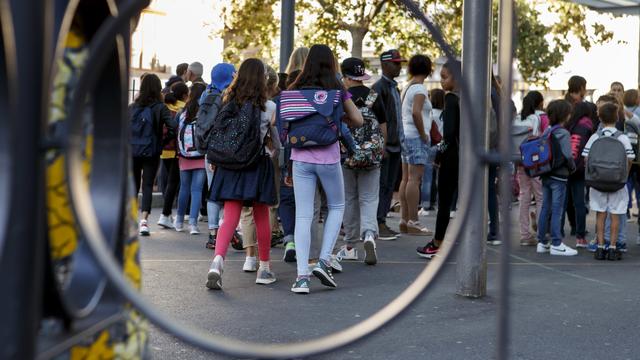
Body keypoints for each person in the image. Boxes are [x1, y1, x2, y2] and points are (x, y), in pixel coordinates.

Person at [281, 44, 363, 294]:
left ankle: (302, 277)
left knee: (304, 215)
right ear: (332, 64)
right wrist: (339, 119)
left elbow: (281, 121)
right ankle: (325, 261)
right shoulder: (337, 90)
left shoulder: (293, 88)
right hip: (328, 156)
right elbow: (358, 120)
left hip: (300, 157)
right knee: (337, 206)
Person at [205, 58, 279, 289]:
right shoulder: (269, 107)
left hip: (229, 165)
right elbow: (273, 140)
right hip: (257, 164)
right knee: (261, 215)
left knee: (230, 216)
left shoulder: (228, 100)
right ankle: (264, 268)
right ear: (262, 79)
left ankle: (217, 261)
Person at [335, 57, 387, 265]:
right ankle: (368, 235)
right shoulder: (374, 95)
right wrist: (379, 150)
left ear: (346, 77)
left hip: (347, 156)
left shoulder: (342, 97)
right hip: (371, 156)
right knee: (369, 198)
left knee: (349, 199)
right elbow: (383, 126)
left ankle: (349, 245)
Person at [238, 64, 282, 272]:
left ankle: (249, 257)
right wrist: (275, 153)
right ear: (271, 85)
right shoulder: (270, 106)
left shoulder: (238, 102)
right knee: (266, 207)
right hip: (263, 159)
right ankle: (264, 260)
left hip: (241, 159)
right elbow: (275, 140)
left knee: (246, 209)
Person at [416, 60, 460, 259]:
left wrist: (438, 152)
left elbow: (449, 135)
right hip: (469, 156)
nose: (441, 82)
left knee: (444, 201)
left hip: (452, 156)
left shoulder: (451, 99)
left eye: (445, 77)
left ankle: (438, 242)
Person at [582, 102, 634, 260]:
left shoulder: (595, 137)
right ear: (617, 117)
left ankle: (599, 247)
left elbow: (585, 157)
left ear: (600, 118)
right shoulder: (622, 137)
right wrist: (624, 174)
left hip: (597, 182)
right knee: (616, 215)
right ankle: (612, 248)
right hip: (617, 183)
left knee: (600, 214)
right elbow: (630, 157)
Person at [130, 74, 177, 236]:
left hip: (133, 150)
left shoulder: (133, 107)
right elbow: (173, 127)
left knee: (133, 185)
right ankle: (144, 221)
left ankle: (130, 220)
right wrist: (162, 142)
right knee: (148, 185)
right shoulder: (160, 107)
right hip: (152, 151)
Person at [198, 63, 236, 249]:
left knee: (212, 191)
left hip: (208, 150)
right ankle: (227, 230)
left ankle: (213, 234)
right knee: (227, 192)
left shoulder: (206, 94)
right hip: (225, 150)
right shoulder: (228, 95)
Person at [535, 100, 578, 256]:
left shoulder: (547, 130)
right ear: (565, 115)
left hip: (546, 174)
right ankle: (556, 243)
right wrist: (573, 167)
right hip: (559, 176)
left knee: (545, 208)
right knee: (557, 210)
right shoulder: (564, 133)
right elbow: (568, 155)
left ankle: (542, 242)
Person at [372, 49, 406, 240]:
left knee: (389, 185)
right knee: (382, 185)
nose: (399, 66)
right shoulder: (378, 88)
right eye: (395, 63)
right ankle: (378, 222)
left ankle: (381, 219)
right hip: (385, 146)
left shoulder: (394, 88)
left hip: (395, 145)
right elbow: (373, 118)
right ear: (385, 65)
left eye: (400, 63)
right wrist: (380, 145)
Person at [398, 54, 433, 235]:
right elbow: (416, 113)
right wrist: (423, 134)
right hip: (416, 137)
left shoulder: (408, 87)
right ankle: (414, 221)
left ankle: (404, 220)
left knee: (406, 178)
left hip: (405, 135)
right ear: (428, 69)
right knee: (415, 179)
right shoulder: (419, 89)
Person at [173, 84, 208, 234]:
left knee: (184, 188)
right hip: (200, 155)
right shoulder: (205, 113)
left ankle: (179, 221)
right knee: (197, 190)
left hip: (184, 155)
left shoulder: (182, 112)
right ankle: (193, 224)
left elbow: (174, 130)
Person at [513, 91, 545, 246]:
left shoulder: (517, 119)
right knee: (540, 196)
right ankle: (540, 234)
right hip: (535, 163)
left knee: (524, 197)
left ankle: (524, 235)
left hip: (519, 162)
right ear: (539, 103)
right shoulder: (536, 118)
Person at [562, 101, 594, 248]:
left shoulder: (569, 124)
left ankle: (558, 235)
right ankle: (580, 237)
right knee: (579, 203)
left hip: (565, 168)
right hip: (580, 170)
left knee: (562, 203)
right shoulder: (588, 126)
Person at [158, 82, 189, 229]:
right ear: (184, 94)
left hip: (163, 149)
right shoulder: (183, 108)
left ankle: (166, 214)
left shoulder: (164, 106)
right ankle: (165, 214)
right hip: (176, 150)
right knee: (173, 183)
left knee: (168, 182)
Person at [422, 88, 445, 212]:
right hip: (443, 146)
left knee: (427, 177)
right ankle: (437, 201)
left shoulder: (430, 113)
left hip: (431, 145)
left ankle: (426, 203)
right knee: (439, 177)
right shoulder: (445, 114)